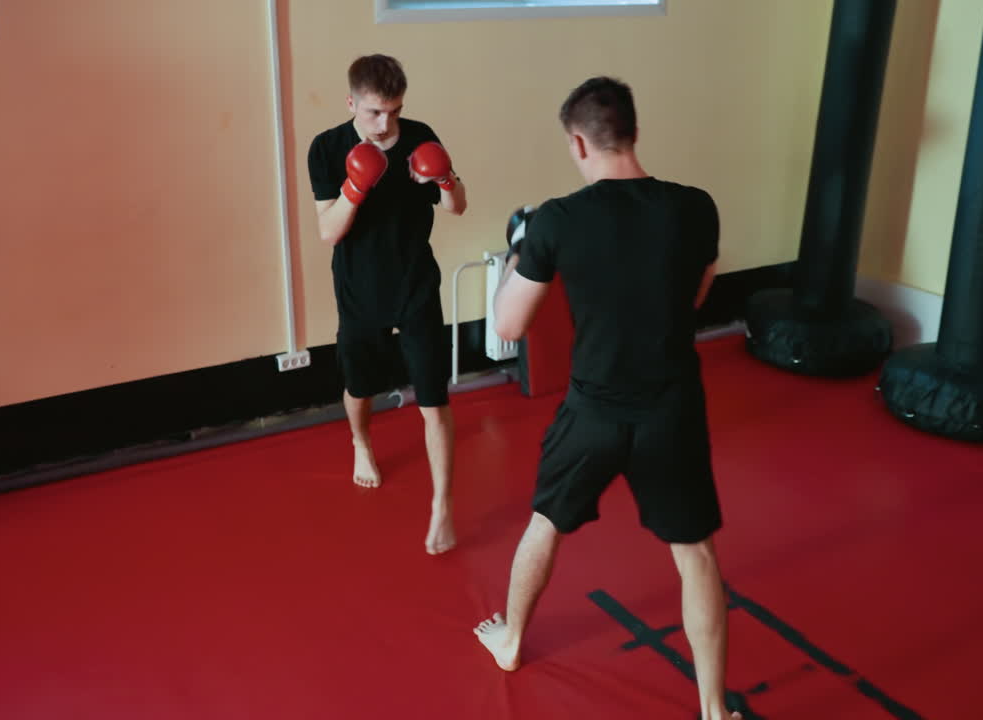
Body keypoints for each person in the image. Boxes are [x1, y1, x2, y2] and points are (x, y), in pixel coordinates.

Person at [473, 77, 741, 720]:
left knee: (546, 523)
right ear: (634, 133)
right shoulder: (695, 207)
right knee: (696, 554)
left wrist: (519, 249)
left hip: (592, 411)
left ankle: (511, 638)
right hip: (670, 407)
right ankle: (712, 709)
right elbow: (697, 298)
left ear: (577, 142)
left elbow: (507, 328)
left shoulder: (559, 220)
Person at [307, 54, 467, 555]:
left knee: (435, 400)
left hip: (417, 284)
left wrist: (442, 181)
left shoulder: (420, 136)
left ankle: (442, 508)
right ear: (352, 102)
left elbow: (458, 205)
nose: (386, 124)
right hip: (360, 289)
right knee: (360, 386)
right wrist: (355, 186)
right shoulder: (328, 148)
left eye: (394, 111)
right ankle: (361, 441)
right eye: (375, 112)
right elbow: (328, 232)